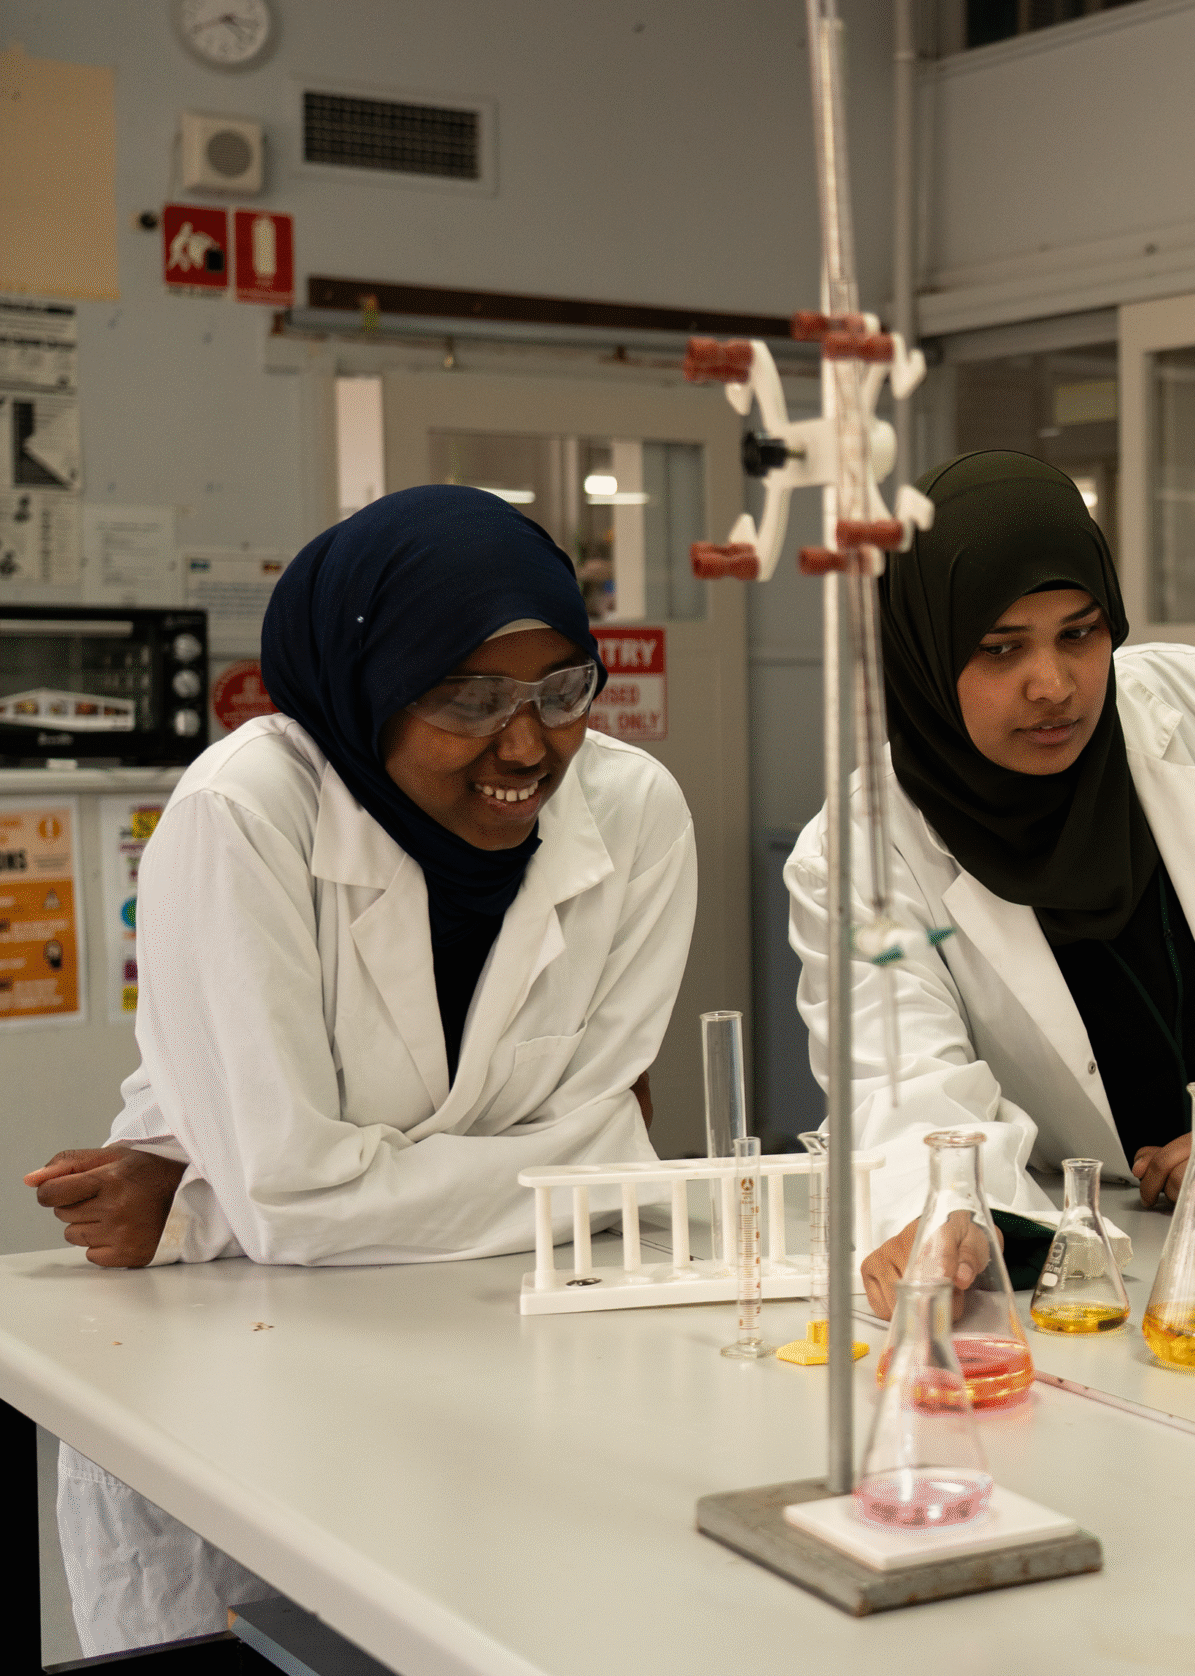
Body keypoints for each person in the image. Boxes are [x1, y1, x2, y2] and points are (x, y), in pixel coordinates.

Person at [25, 484, 696, 1654]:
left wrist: (201, 1202)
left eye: (559, 691)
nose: (527, 744)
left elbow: (617, 1156)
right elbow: (301, 1197)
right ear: (368, 685)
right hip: (239, 1372)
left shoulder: (636, 815)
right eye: (468, 697)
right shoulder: (245, 813)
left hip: (507, 1362)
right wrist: (253, 1207)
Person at [786, 451, 1195, 1314]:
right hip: (1098, 1262)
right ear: (922, 654)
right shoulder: (861, 857)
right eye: (1001, 649)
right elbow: (906, 1086)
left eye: (1080, 632)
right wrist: (959, 1215)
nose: (1054, 684)